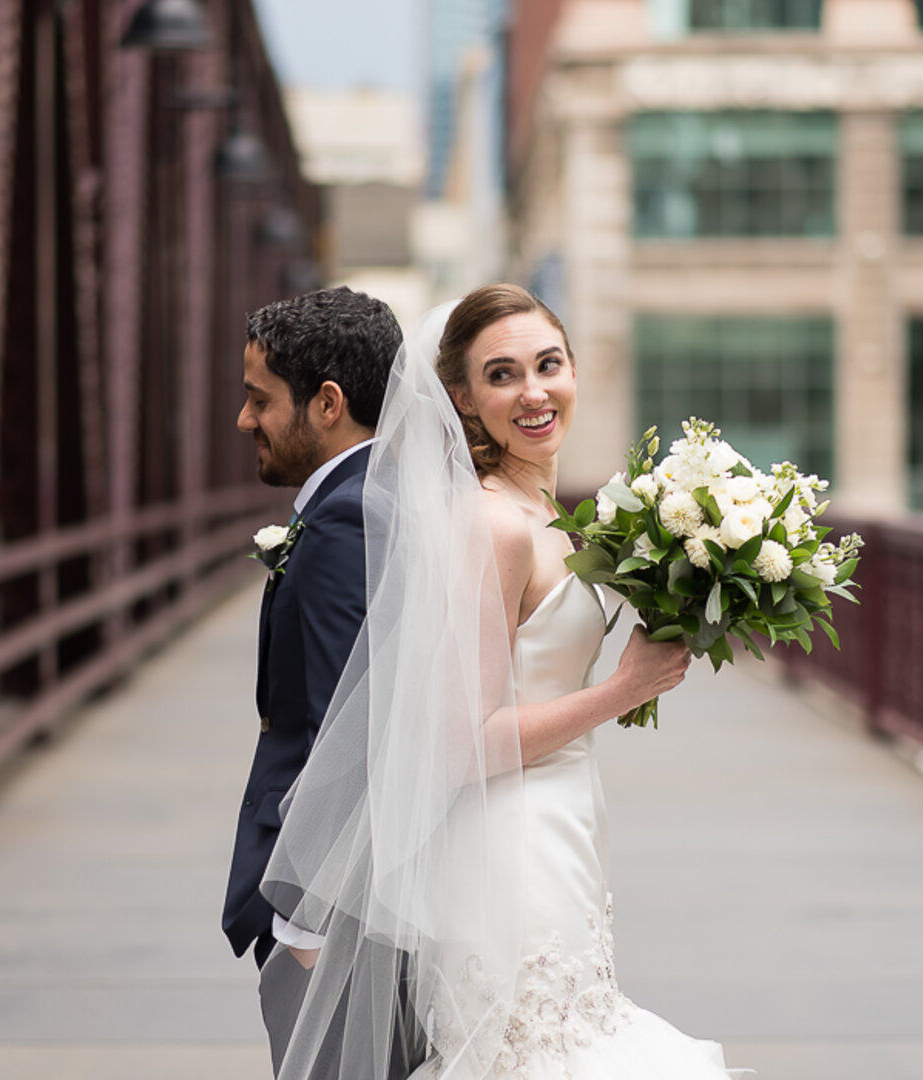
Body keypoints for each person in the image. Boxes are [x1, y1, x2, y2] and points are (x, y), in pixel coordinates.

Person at [262, 285, 741, 1079]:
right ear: (461, 398)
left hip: (561, 822)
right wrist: (624, 688)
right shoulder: (489, 525)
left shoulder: (551, 512)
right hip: (503, 841)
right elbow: (464, 741)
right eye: (501, 374)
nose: (533, 392)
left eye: (548, 364)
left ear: (574, 370)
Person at [221, 286, 416, 1079]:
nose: (243, 421)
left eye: (258, 399)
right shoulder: (369, 496)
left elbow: (359, 733)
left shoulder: (346, 521)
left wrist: (306, 926)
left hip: (328, 916)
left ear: (327, 403)